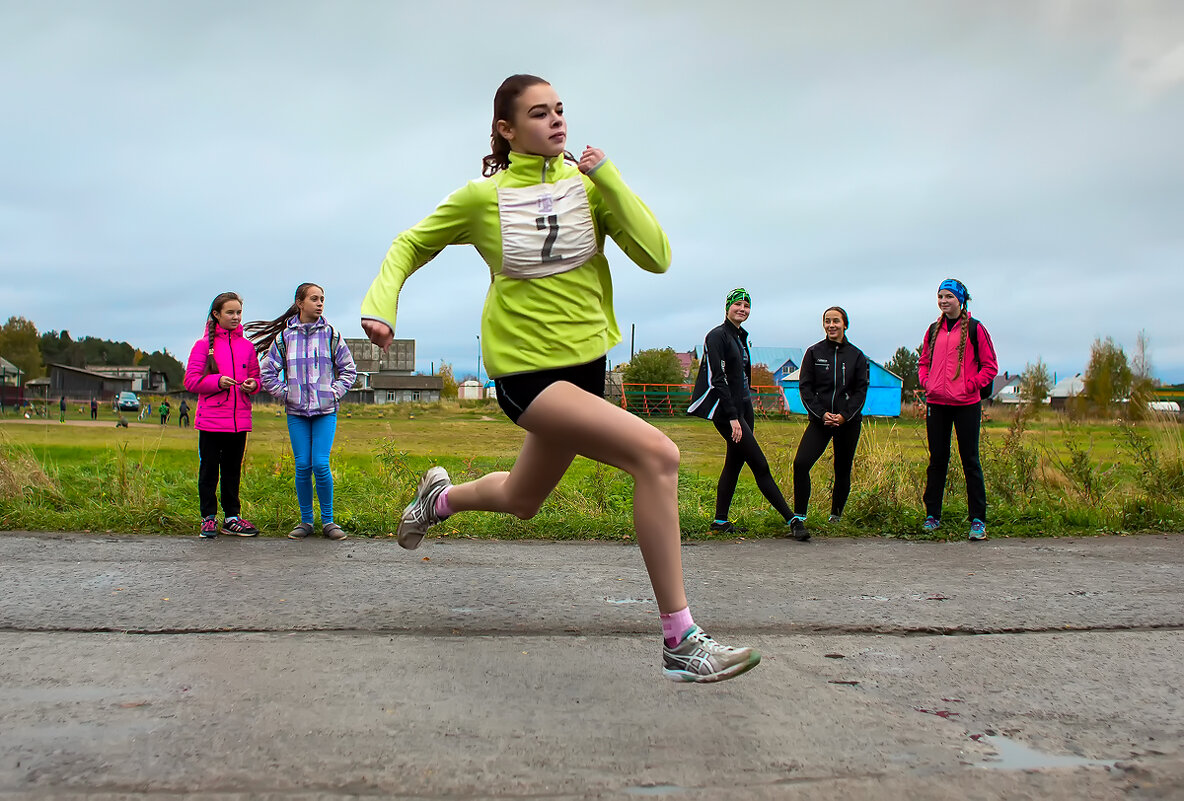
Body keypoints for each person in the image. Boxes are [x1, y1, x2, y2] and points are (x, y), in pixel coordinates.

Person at [359, 74, 759, 683]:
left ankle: (437, 499)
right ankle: (681, 641)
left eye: (561, 111)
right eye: (540, 113)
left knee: (523, 499)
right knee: (657, 455)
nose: (557, 122)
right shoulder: (481, 199)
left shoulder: (588, 188)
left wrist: (610, 178)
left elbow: (657, 255)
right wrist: (381, 303)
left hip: (584, 369)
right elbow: (410, 243)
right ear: (507, 129)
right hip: (525, 373)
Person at [688, 288, 807, 541]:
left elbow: (740, 376)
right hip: (727, 411)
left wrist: (744, 407)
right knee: (759, 464)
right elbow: (716, 379)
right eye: (738, 304)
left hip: (744, 407)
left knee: (734, 462)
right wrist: (732, 417)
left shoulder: (739, 337)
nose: (742, 309)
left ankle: (720, 521)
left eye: (746, 306)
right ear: (727, 307)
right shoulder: (717, 336)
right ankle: (792, 519)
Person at [250, 283, 358, 541]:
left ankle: (329, 522)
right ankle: (306, 521)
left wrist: (332, 392)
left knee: (320, 464)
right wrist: (286, 393)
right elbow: (267, 372)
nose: (320, 303)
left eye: (322, 299)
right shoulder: (285, 338)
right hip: (296, 413)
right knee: (302, 465)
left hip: (325, 412)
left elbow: (349, 370)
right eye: (314, 298)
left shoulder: (331, 335)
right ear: (300, 303)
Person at [917, 279, 998, 541]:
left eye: (949, 296)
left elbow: (990, 367)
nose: (943, 301)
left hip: (966, 405)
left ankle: (977, 520)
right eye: (940, 296)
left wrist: (970, 385)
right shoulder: (933, 330)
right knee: (937, 461)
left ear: (961, 300)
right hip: (937, 404)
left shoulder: (976, 329)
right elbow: (923, 362)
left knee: (970, 461)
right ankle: (932, 516)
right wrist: (927, 382)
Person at [183, 291, 262, 539]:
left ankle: (232, 518)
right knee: (209, 470)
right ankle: (208, 518)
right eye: (230, 312)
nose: (236, 317)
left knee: (232, 472)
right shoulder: (202, 346)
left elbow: (257, 379)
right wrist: (217, 382)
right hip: (211, 421)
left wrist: (252, 385)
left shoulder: (248, 347)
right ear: (216, 314)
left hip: (239, 422)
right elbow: (191, 381)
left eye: (239, 312)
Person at [791, 306, 870, 536]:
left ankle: (835, 515)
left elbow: (860, 391)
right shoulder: (814, 352)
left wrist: (844, 416)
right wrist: (821, 413)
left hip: (848, 422)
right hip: (820, 421)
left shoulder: (856, 356)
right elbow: (805, 387)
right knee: (801, 463)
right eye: (827, 321)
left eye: (836, 321)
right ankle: (799, 516)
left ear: (845, 324)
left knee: (842, 469)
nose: (831, 325)